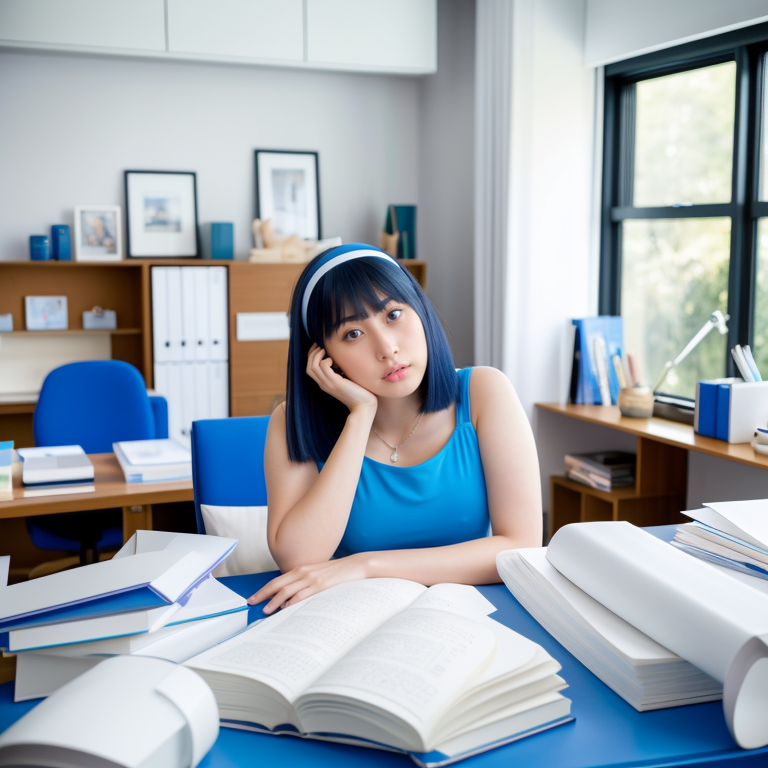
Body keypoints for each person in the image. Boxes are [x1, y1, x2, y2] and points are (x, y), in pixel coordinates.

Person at [248, 243, 542, 614]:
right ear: (324, 356)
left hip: (469, 613)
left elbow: (521, 546)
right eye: (352, 334)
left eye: (394, 314)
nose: (387, 348)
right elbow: (298, 559)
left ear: (420, 310)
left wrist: (367, 565)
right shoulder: (292, 419)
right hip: (352, 614)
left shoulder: (484, 391)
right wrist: (360, 415)